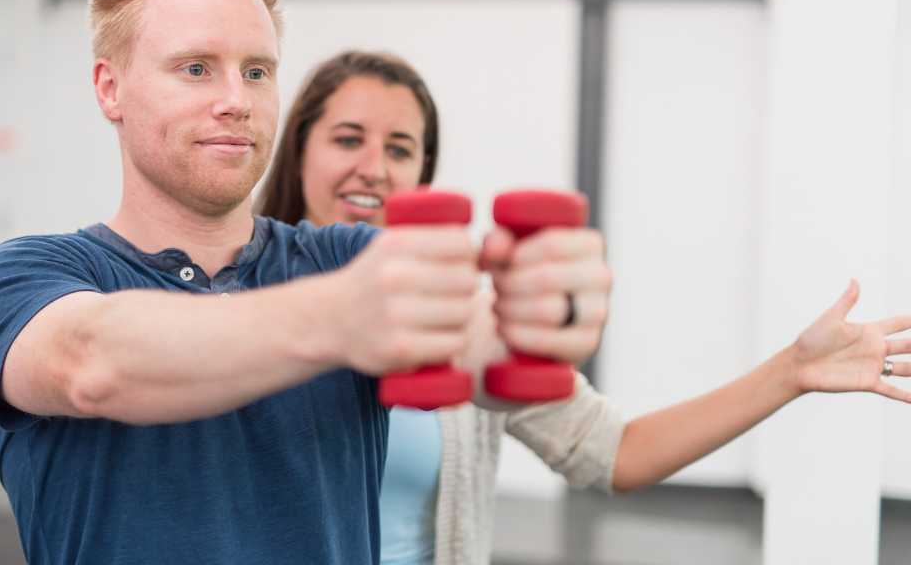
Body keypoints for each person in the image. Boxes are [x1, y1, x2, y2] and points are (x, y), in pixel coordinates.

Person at [0, 0, 613, 565]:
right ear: (110, 88)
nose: (236, 101)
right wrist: (342, 317)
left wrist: (541, 313)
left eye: (257, 72)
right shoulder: (23, 277)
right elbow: (92, 364)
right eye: (196, 69)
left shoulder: (343, 257)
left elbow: (479, 348)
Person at [258, 49, 911, 565]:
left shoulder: (470, 330)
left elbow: (617, 452)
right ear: (301, 152)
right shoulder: (234, 305)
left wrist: (792, 370)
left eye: (400, 148)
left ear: (423, 175)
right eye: (348, 140)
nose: (374, 167)